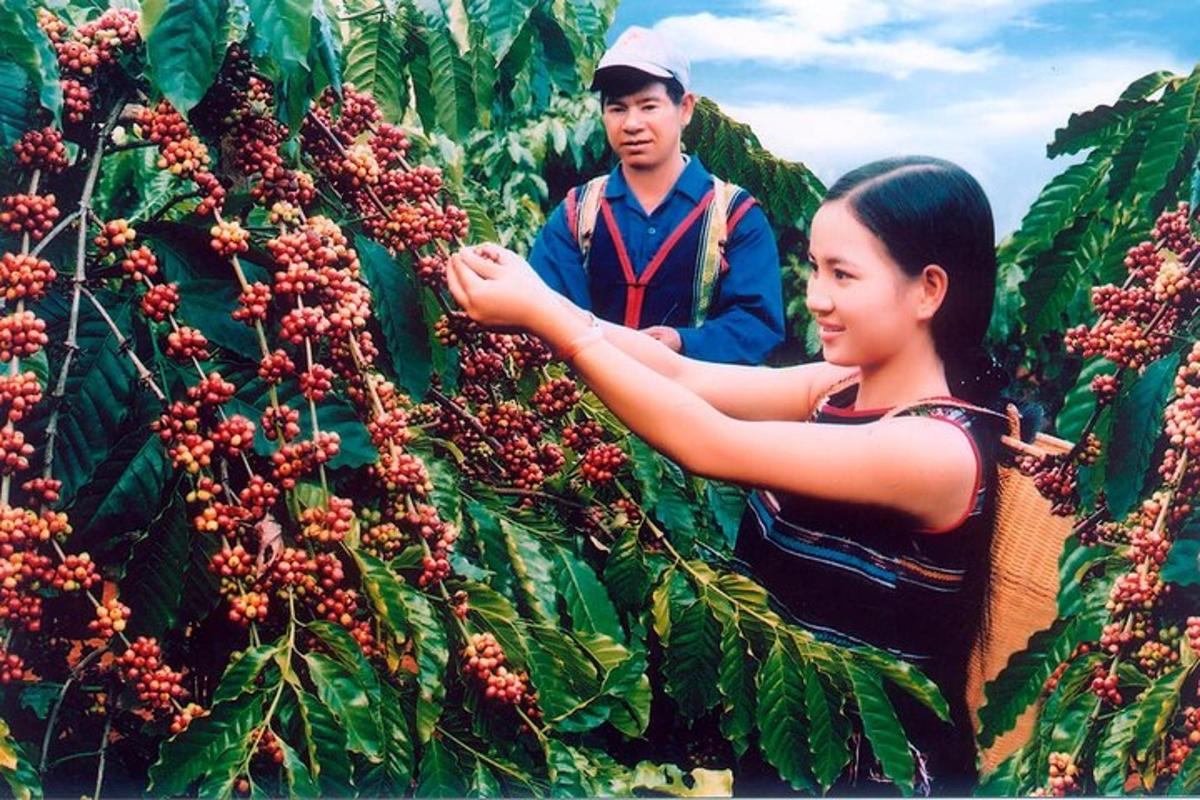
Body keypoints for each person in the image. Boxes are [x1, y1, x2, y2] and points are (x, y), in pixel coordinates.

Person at [447, 156, 1009, 794]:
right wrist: (542, 300)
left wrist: (550, 324)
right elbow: (682, 377)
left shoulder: (934, 449)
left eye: (844, 275)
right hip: (793, 755)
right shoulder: (838, 388)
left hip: (877, 776)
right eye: (816, 269)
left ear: (928, 290)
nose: (816, 297)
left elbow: (710, 442)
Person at [529, 26, 785, 365]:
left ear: (685, 109)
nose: (632, 123)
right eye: (617, 109)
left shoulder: (734, 216)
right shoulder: (578, 212)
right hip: (588, 407)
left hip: (697, 409)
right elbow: (542, 306)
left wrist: (684, 342)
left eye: (649, 106)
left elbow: (759, 323)